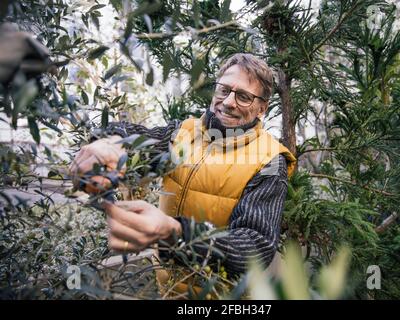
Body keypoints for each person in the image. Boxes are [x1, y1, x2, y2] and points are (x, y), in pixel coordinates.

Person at [69, 53, 297, 296]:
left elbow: (253, 246)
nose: (229, 102)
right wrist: (109, 145)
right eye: (224, 90)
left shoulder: (269, 159)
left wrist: (175, 233)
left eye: (243, 96)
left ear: (262, 108)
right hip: (167, 287)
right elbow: (142, 142)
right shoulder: (186, 132)